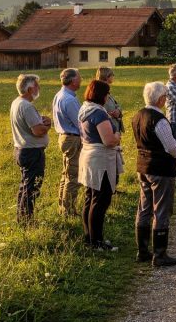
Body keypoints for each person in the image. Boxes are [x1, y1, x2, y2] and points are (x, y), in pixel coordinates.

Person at [133, 82, 176, 267]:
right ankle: (160, 254)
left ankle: (143, 251)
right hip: (160, 168)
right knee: (161, 209)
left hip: (143, 167)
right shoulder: (159, 120)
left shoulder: (138, 115)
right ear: (161, 99)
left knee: (144, 208)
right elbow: (170, 146)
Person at [77, 79, 123, 251]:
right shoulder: (99, 113)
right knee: (100, 200)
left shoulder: (84, 109)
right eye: (107, 93)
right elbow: (109, 140)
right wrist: (117, 134)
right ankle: (97, 242)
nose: (108, 97)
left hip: (89, 156)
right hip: (101, 160)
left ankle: (89, 238)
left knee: (90, 198)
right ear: (102, 95)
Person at [11, 74, 52, 223]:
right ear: (29, 89)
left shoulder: (17, 102)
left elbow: (33, 124)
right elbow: (38, 131)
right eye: (36, 86)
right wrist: (47, 125)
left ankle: (22, 218)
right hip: (32, 151)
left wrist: (42, 120)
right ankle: (26, 221)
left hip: (22, 149)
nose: (38, 88)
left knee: (25, 186)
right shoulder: (26, 106)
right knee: (31, 188)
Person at [53, 68, 83, 216]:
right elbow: (79, 122)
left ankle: (63, 206)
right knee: (73, 175)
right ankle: (69, 210)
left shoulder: (60, 95)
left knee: (66, 174)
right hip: (72, 138)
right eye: (79, 78)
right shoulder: (69, 99)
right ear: (72, 81)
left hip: (64, 137)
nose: (81, 80)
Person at [95, 66, 124, 134]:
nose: (114, 76)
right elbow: (96, 110)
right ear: (107, 76)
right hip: (107, 130)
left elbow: (116, 104)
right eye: (112, 74)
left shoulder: (107, 91)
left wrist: (118, 111)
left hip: (114, 129)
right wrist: (108, 114)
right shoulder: (98, 92)